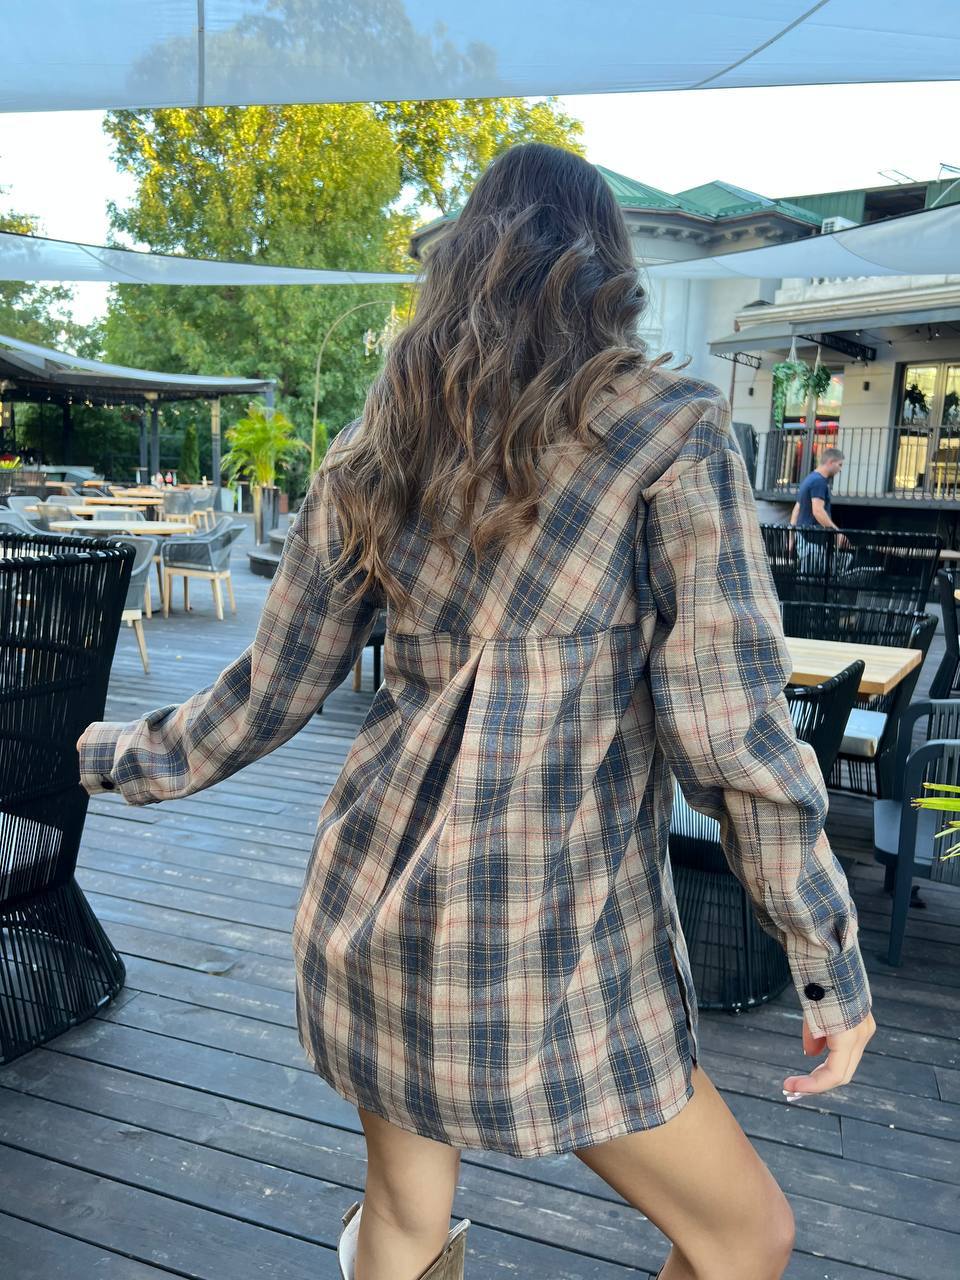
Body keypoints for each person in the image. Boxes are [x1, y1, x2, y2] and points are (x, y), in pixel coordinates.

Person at [75, 143, 875, 1280]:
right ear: (608, 272)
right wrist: (826, 956)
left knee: (404, 1220)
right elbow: (729, 734)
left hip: (378, 914)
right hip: (558, 944)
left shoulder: (377, 448)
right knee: (745, 1234)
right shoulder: (670, 431)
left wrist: (107, 753)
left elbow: (265, 692)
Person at [789, 448, 851, 567]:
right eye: (839, 465)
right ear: (830, 462)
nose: (840, 469)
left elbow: (797, 510)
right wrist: (837, 532)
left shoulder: (809, 479)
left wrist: (791, 538)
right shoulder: (819, 482)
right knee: (812, 575)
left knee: (806, 575)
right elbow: (818, 511)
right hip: (813, 540)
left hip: (803, 538)